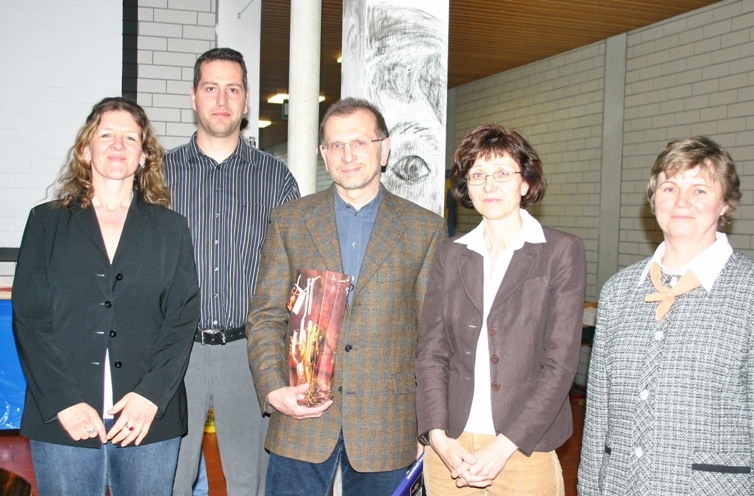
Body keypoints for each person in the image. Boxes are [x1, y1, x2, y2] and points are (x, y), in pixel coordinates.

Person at [247, 97, 447, 496]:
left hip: (386, 424)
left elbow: (433, 338)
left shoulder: (424, 229)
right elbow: (266, 317)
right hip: (300, 414)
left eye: (359, 142)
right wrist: (273, 389)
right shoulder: (290, 221)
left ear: (384, 149)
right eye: (336, 145)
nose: (348, 155)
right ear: (324, 154)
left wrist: (427, 425)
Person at [12, 96, 201, 494]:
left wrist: (150, 396)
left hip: (147, 419)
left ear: (144, 156)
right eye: (106, 135)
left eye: (130, 137)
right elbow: (30, 319)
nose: (118, 144)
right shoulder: (46, 222)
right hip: (64, 417)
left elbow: (182, 320)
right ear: (85, 149)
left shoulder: (171, 229)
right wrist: (64, 401)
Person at [415, 124, 586, 495]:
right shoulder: (450, 254)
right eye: (477, 175)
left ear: (525, 183)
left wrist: (504, 446)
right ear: (466, 186)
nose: (489, 185)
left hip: (523, 447)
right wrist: (437, 436)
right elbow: (432, 352)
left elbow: (559, 364)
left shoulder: (560, 252)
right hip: (451, 447)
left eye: (502, 173)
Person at [578, 136, 753, 495]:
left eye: (700, 190)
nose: (681, 201)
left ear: (725, 202)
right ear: (653, 198)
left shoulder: (748, 292)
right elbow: (597, 415)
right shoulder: (618, 292)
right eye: (670, 188)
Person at [167, 47, 300, 496]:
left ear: (246, 101)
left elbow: (295, 267)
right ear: (193, 97)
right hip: (174, 353)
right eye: (211, 88)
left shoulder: (276, 179)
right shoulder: (159, 175)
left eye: (233, 89)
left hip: (249, 353)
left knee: (250, 482)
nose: (221, 100)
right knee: (169, 479)